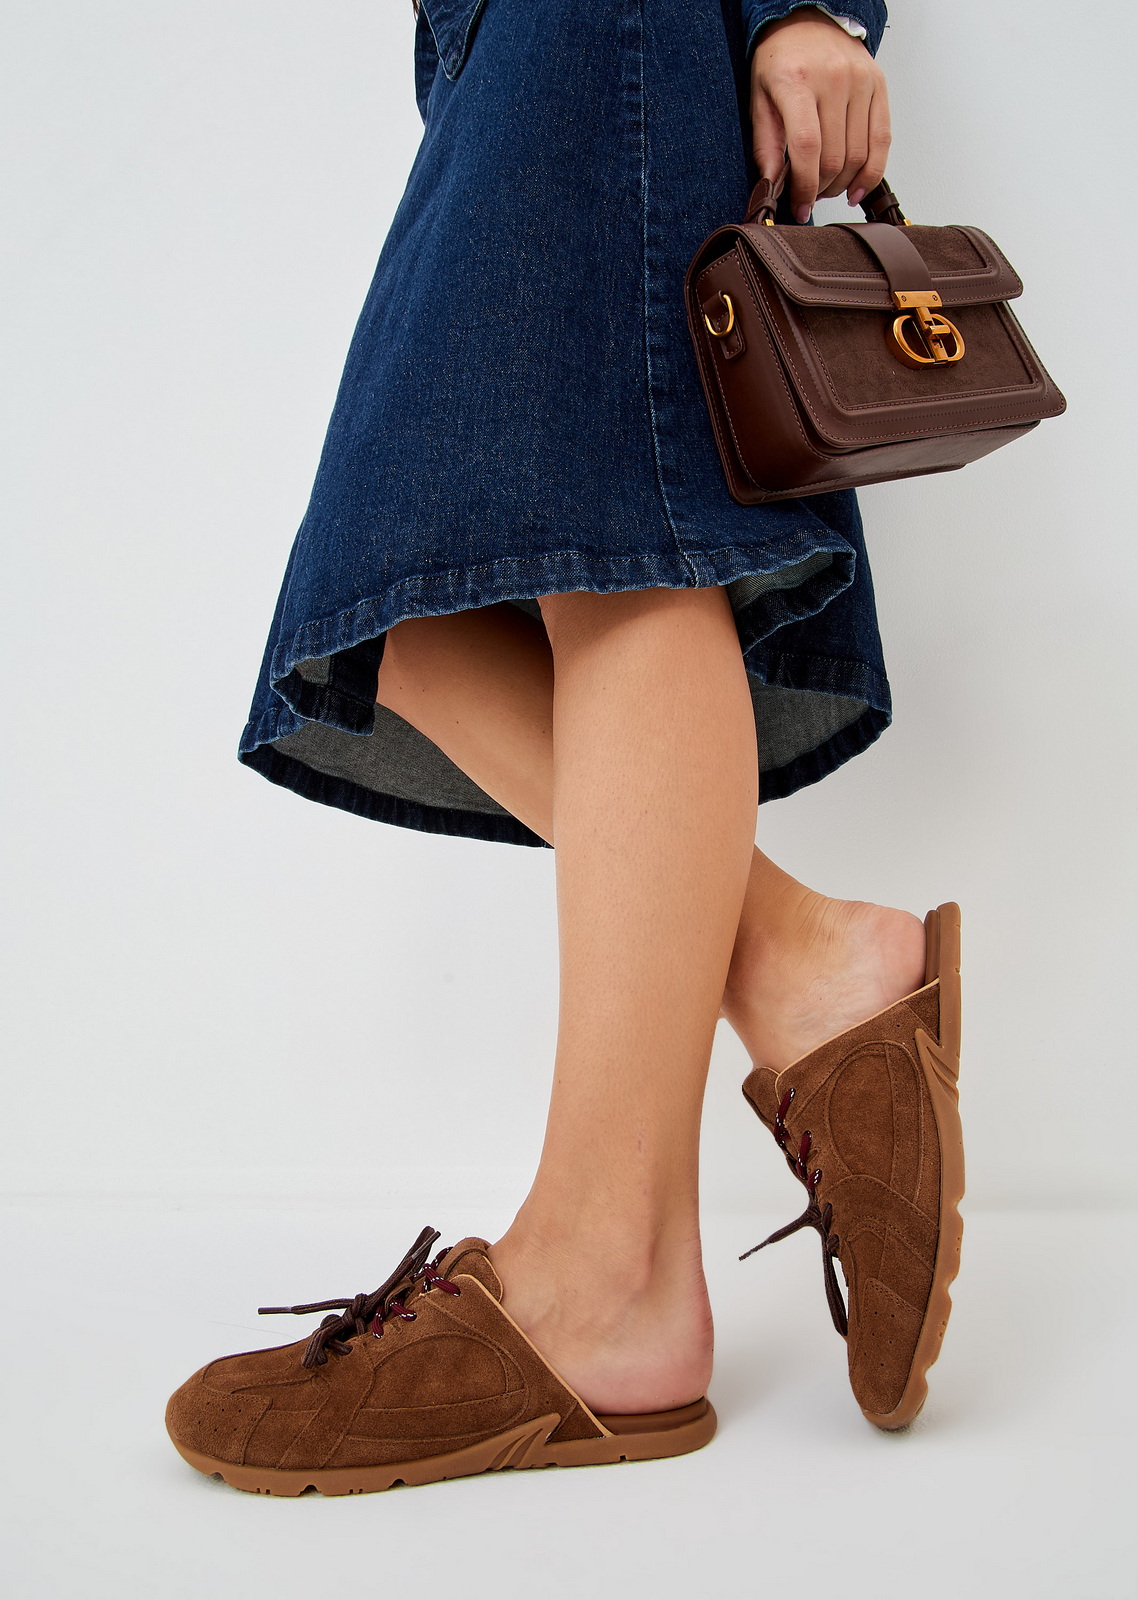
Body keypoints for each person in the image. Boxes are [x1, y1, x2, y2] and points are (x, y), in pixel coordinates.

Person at [164, 0, 965, 1494]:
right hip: (505, 49)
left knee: (618, 543)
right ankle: (797, 964)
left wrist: (807, 7)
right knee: (401, 609)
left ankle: (611, 1271)